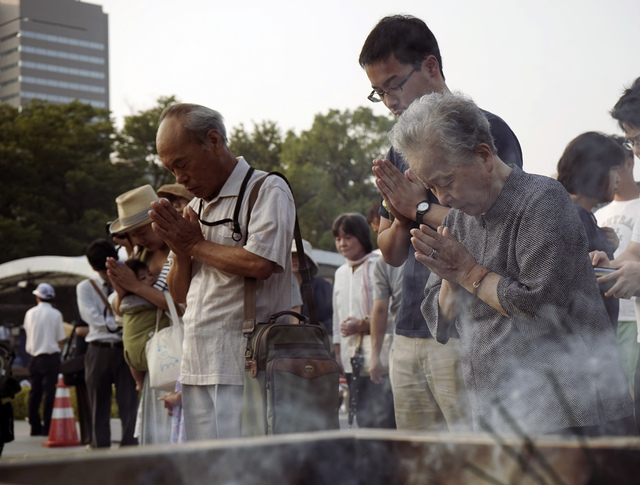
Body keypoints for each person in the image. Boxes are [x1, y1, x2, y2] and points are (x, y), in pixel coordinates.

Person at [394, 91, 634, 436]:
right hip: (499, 414)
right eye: (431, 188)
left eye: (445, 181)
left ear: (483, 156)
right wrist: (449, 276)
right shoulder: (459, 221)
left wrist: (467, 272)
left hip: (572, 415)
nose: (442, 198)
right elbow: (439, 320)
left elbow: (542, 311)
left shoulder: (542, 199)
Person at [359, 14, 523, 432]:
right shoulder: (400, 150)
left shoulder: (484, 132)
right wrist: (399, 216)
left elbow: (500, 229)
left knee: (477, 462)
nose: (390, 100)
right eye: (378, 92)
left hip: (470, 329)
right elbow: (391, 253)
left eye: (394, 84)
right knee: (419, 465)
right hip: (410, 331)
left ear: (430, 66)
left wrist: (417, 209)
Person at [149, 103, 295, 440]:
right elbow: (180, 295)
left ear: (213, 141)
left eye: (181, 165)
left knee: (244, 468)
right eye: (171, 170)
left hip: (244, 364)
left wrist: (195, 245)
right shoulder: (195, 207)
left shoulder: (265, 190)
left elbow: (261, 264)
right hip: (197, 361)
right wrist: (183, 254)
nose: (179, 179)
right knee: (207, 469)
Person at [105, 184, 174, 446]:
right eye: (132, 234)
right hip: (151, 363)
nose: (139, 238)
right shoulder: (141, 256)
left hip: (174, 359)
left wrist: (135, 287)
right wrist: (122, 292)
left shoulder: (180, 252)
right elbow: (121, 310)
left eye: (142, 230)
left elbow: (182, 306)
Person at [332, 213, 395, 428]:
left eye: (348, 237)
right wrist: (338, 352)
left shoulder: (379, 264)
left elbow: (390, 311)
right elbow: (336, 315)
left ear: (361, 236)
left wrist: (362, 324)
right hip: (351, 357)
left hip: (379, 355)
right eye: (338, 238)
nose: (342, 243)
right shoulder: (340, 272)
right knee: (362, 418)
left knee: (383, 417)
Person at [557, 132, 623, 330]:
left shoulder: (568, 211)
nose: (618, 179)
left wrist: (603, 240)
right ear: (595, 172)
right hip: (587, 347)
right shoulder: (575, 216)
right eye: (613, 170)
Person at [77, 239, 138, 448]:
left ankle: (129, 448)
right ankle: (99, 450)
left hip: (123, 348)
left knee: (129, 403)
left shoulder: (128, 278)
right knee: (98, 404)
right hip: (98, 349)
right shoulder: (85, 287)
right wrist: (120, 321)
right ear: (95, 267)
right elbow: (93, 319)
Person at [594, 137, 640, 392]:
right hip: (614, 310)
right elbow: (633, 254)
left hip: (634, 318)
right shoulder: (600, 213)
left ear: (629, 163)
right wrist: (607, 265)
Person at [114, 259, 170, 391]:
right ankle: (139, 382)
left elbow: (118, 310)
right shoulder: (144, 297)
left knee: (132, 361)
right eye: (143, 277)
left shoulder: (126, 300)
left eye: (150, 274)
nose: (151, 278)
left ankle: (138, 382)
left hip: (131, 353)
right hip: (150, 348)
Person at [23, 283, 65, 436]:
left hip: (34, 358)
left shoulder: (30, 313)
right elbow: (60, 338)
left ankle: (34, 427)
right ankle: (48, 427)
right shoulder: (56, 314)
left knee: (35, 393)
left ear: (38, 297)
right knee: (50, 393)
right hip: (51, 358)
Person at [291, 238, 333, 335]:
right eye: (291, 256)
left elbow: (333, 318)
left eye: (299, 256)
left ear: (309, 262)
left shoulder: (321, 286)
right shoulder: (283, 289)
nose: (294, 259)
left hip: (314, 342)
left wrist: (316, 326)